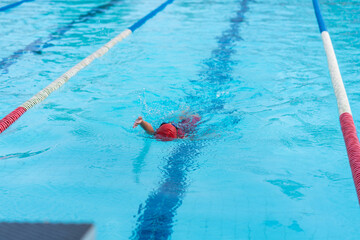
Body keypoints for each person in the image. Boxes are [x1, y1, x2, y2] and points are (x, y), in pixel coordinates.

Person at [133, 114, 201, 141]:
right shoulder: (181, 137)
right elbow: (150, 131)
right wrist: (142, 122)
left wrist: (142, 122)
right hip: (175, 127)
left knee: (195, 117)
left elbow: (150, 130)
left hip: (184, 125)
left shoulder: (181, 135)